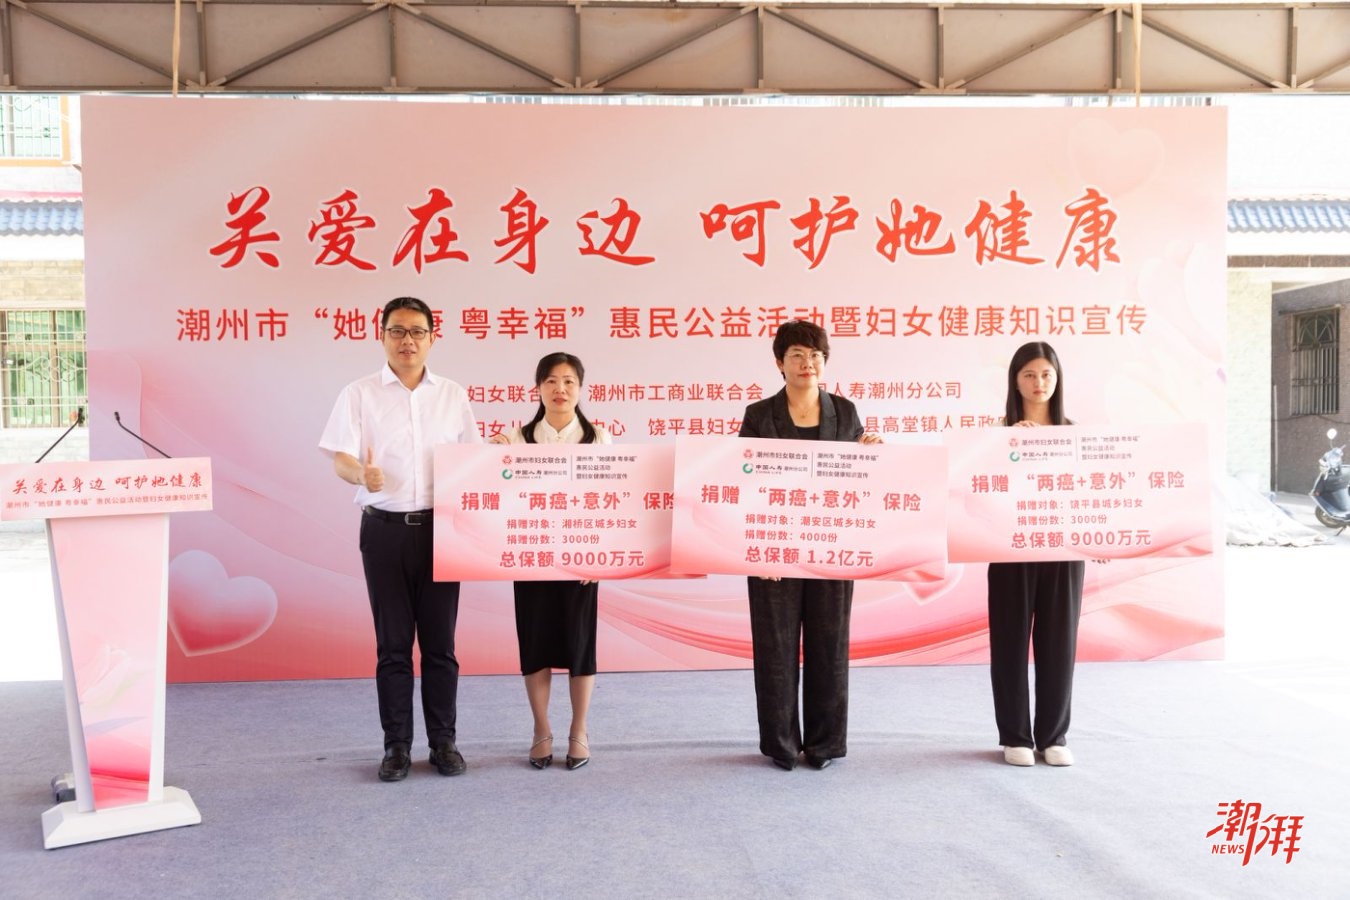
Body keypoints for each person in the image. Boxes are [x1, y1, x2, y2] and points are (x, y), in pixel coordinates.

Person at [319, 296, 481, 782]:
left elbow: (472, 462)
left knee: (440, 646)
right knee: (392, 646)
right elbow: (340, 457)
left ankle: (444, 742)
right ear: (382, 335)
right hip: (384, 531)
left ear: (432, 337)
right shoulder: (359, 393)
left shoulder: (452, 395)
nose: (407, 340)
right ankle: (396, 747)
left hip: (441, 532)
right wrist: (360, 475)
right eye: (397, 331)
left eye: (416, 331)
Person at [738, 319, 882, 771]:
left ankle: (824, 745)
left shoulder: (846, 411)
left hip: (831, 546)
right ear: (779, 363)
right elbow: (743, 481)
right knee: (775, 647)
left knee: (829, 645)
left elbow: (861, 480)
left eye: (816, 355)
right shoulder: (759, 415)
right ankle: (781, 744)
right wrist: (758, 549)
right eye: (797, 355)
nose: (808, 363)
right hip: (774, 548)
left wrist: (874, 452)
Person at [490, 352, 610, 771]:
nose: (560, 389)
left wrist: (598, 556)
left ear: (580, 388)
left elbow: (611, 502)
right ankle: (541, 729)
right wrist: (491, 458)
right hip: (531, 556)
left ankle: (580, 729)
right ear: (538, 388)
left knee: (581, 647)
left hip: (582, 561)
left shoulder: (599, 438)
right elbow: (494, 492)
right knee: (535, 643)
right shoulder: (517, 438)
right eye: (552, 381)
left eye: (569, 381)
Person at [987, 341, 1085, 768]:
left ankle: (1053, 735)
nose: (1038, 382)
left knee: (1059, 643)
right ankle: (1015, 736)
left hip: (1063, 551)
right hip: (1010, 549)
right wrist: (1010, 447)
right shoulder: (995, 433)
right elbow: (980, 492)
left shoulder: (1076, 433)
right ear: (1015, 381)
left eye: (1046, 374)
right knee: (1009, 642)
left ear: (1057, 379)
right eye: (1028, 374)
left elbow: (1090, 493)